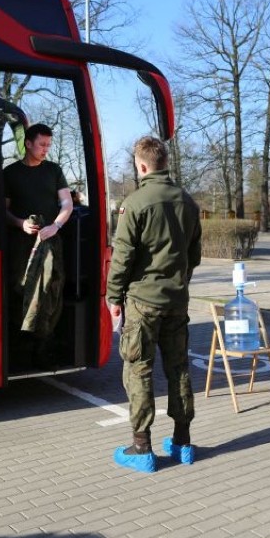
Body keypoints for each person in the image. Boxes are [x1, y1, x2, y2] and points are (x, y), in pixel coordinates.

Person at [106, 135, 202, 473]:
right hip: (176, 301)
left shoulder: (136, 202)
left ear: (142, 165)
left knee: (138, 369)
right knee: (178, 369)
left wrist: (113, 297)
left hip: (142, 302)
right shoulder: (188, 202)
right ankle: (183, 441)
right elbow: (195, 256)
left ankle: (141, 447)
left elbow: (122, 259)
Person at [4, 124, 73, 366]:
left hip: (51, 244)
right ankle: (19, 353)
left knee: (50, 294)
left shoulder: (54, 171)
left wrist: (55, 226)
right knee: (19, 292)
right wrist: (20, 223)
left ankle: (43, 352)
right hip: (21, 247)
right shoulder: (10, 173)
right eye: (42, 145)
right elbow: (2, 211)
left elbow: (67, 204)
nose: (46, 149)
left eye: (49, 145)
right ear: (28, 144)